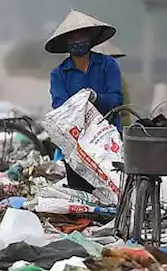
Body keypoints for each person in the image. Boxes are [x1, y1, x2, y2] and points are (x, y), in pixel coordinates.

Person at [46, 10, 124, 193]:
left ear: (90, 38)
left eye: (82, 35)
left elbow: (116, 99)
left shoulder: (108, 65)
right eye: (73, 37)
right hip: (77, 146)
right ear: (66, 43)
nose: (78, 41)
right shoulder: (58, 74)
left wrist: (96, 97)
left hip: (108, 142)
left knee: (113, 190)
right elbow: (59, 107)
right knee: (81, 192)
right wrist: (78, 105)